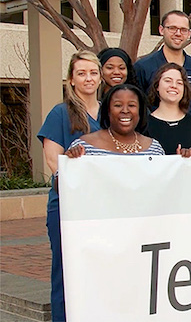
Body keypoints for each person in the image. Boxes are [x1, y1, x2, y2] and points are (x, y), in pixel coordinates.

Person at [36, 50, 102, 322]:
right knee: (67, 271)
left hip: (106, 207)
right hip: (69, 207)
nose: (88, 78)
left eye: (93, 73)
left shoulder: (112, 110)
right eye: (81, 73)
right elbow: (54, 161)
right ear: (71, 80)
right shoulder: (61, 113)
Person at [134, 10, 191, 116]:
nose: (178, 33)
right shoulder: (143, 67)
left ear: (189, 34)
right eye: (172, 28)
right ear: (161, 30)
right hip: (153, 131)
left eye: (183, 30)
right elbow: (136, 107)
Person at [64, 84, 166, 156]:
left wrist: (181, 162)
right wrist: (70, 162)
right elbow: (62, 183)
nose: (125, 110)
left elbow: (166, 183)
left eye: (132, 105)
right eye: (118, 105)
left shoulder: (154, 149)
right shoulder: (84, 146)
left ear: (140, 111)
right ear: (108, 110)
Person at [146, 63, 191, 155]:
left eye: (179, 83)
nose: (174, 86)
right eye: (168, 81)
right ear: (157, 86)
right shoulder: (144, 126)